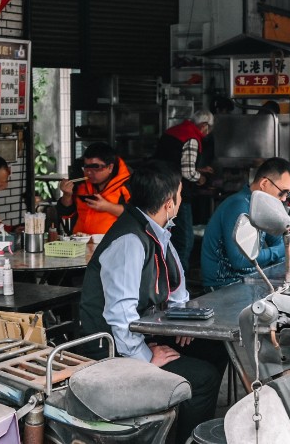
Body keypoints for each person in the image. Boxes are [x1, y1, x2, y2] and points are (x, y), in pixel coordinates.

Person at [78, 160, 227, 444]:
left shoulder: (155, 231)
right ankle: (188, 437)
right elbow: (119, 315)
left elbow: (175, 284)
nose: (181, 201)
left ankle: (179, 414)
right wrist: (146, 359)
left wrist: (182, 323)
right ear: (169, 203)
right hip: (111, 346)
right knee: (203, 377)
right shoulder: (129, 241)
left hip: (145, 333)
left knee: (216, 349)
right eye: (180, 195)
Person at [201, 157, 290, 290]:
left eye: (288, 193)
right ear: (265, 184)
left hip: (248, 280)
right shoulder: (239, 206)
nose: (284, 198)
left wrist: (288, 247)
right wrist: (285, 250)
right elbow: (240, 259)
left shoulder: (261, 206)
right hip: (225, 286)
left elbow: (277, 240)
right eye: (283, 192)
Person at [154, 110, 215, 271]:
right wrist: (200, 178)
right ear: (204, 126)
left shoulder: (173, 131)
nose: (208, 133)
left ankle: (165, 276)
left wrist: (199, 168)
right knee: (185, 239)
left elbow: (172, 161)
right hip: (176, 194)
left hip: (158, 190)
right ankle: (179, 281)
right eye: (209, 129)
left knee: (166, 236)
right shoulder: (192, 137)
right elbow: (187, 172)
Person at [56, 142, 131, 235]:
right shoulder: (80, 183)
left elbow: (137, 214)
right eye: (86, 167)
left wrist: (107, 207)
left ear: (110, 167)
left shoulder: (127, 184)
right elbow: (65, 213)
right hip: (79, 242)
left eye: (96, 167)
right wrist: (67, 195)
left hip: (113, 244)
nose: (89, 172)